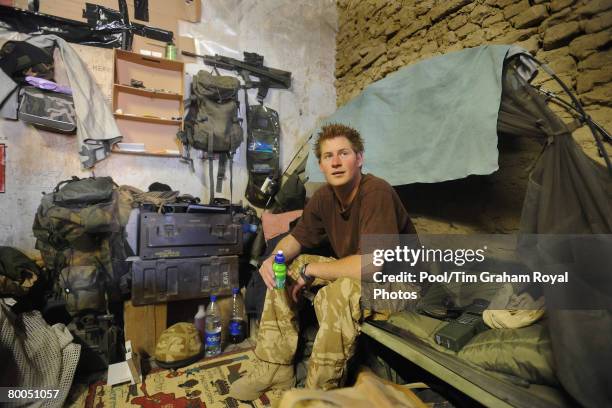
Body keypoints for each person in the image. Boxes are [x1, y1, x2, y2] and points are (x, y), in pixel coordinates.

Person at [230, 123, 416, 400]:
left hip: (401, 286)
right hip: (363, 273)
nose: (337, 162)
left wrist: (312, 270)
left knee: (338, 292)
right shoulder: (324, 198)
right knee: (287, 267)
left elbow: (373, 264)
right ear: (321, 164)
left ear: (360, 158)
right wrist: (274, 259)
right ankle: (275, 366)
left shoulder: (376, 192)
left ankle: (319, 394)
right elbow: (295, 240)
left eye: (344, 153)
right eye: (329, 156)